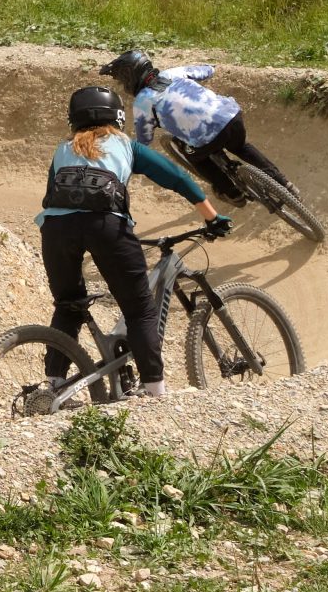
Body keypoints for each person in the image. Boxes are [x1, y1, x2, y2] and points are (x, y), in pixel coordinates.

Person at [36, 84, 226, 403]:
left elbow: (50, 197)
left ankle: (54, 385)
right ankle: (155, 390)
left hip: (56, 229)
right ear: (117, 117)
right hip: (107, 226)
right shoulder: (125, 145)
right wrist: (212, 217)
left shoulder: (62, 150)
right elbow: (176, 177)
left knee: (68, 306)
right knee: (139, 311)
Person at [102, 49, 291, 204]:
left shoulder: (143, 102)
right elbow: (208, 70)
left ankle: (233, 193)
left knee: (197, 159)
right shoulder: (173, 73)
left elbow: (145, 139)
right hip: (232, 117)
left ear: (129, 77)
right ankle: (283, 182)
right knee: (241, 147)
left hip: (206, 139)